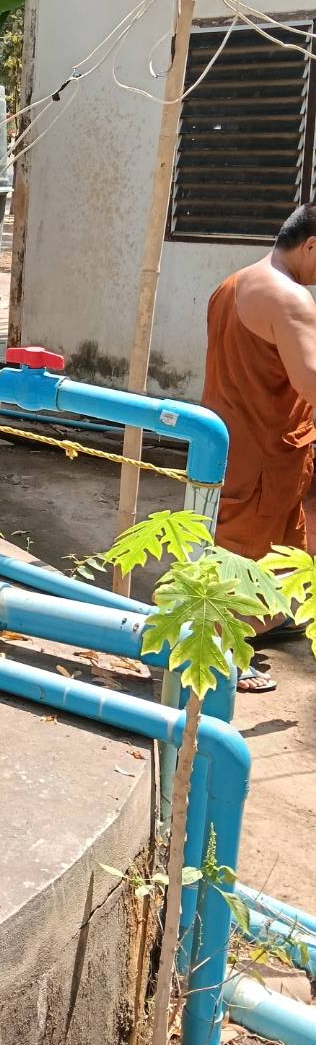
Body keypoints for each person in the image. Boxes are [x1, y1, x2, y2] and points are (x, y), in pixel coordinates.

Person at [202, 202, 316, 689]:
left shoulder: (233, 284)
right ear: (311, 246)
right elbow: (311, 383)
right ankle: (222, 653)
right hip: (263, 453)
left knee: (277, 546)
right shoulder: (290, 299)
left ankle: (263, 621)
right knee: (243, 552)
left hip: (236, 444)